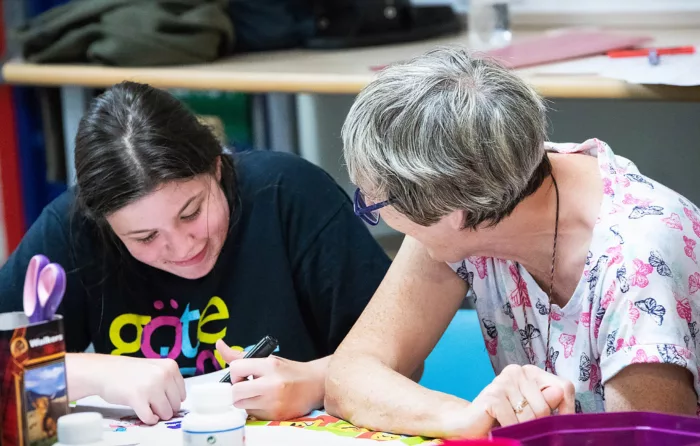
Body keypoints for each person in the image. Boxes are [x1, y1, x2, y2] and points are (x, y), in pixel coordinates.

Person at [325, 47, 700, 439]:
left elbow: (646, 440)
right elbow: (350, 375)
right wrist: (465, 416)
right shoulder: (480, 201)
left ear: (452, 213)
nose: (369, 207)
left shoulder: (638, 263)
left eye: (373, 201)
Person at [0, 81, 391, 425]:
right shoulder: (72, 230)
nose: (182, 246)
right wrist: (90, 372)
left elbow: (401, 354)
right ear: (105, 224)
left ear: (217, 167)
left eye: (192, 213)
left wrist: (314, 381)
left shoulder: (289, 195)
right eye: (145, 237)